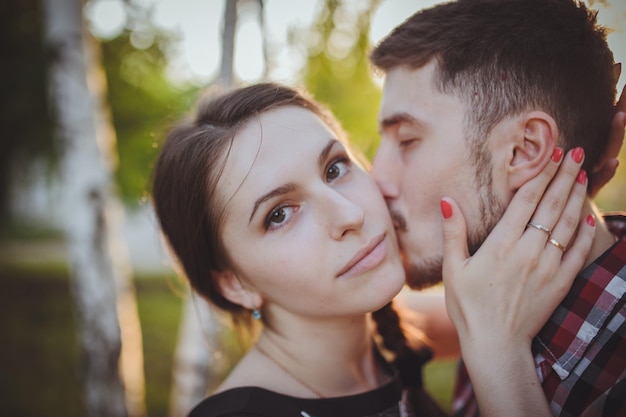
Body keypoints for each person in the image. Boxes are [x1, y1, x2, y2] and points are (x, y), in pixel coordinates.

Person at [151, 82, 596, 417]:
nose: (350, 214)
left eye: (336, 167)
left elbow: (507, 293)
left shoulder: (396, 334)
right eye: (280, 214)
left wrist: (577, 158)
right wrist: (498, 357)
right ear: (234, 283)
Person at [369, 0, 626, 416]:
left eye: (408, 140)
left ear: (525, 150)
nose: (376, 178)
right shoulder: (489, 294)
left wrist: (496, 355)